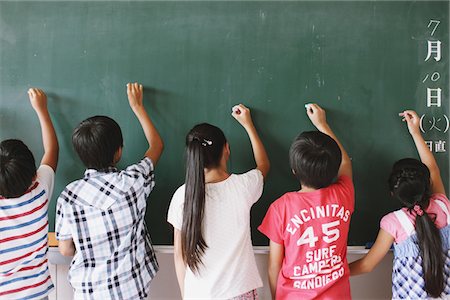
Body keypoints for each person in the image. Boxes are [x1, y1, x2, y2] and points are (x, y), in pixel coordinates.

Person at [55, 82, 164, 299]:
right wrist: (138, 107)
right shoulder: (134, 181)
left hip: (89, 292)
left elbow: (66, 249)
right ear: (119, 152)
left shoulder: (69, 195)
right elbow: (156, 145)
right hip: (131, 288)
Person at [167, 104, 270, 299]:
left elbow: (180, 256)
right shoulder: (243, 186)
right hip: (239, 292)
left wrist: (186, 295)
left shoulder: (182, 196)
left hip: (199, 294)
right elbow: (264, 165)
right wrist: (248, 125)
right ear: (227, 149)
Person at [349, 110, 450, 298]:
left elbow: (366, 265)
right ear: (427, 184)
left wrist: (329, 275)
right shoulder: (443, 205)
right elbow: (433, 169)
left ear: (392, 194)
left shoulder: (393, 223)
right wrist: (416, 133)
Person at [259, 103, 354, 299]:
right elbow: (345, 162)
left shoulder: (281, 207)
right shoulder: (343, 195)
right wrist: (322, 125)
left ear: (294, 171)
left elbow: (274, 266)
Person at [0, 88, 59, 300]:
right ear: (34, 175)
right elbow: (52, 150)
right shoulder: (39, 193)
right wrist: (42, 110)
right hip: (37, 294)